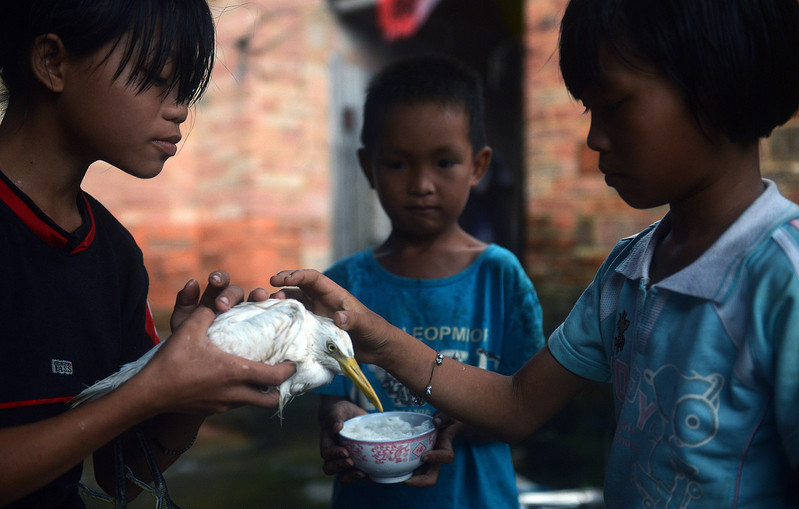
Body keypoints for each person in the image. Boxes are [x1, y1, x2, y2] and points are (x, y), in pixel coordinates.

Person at [271, 0, 799, 506]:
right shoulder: (626, 272)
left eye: (613, 106)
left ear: (714, 85)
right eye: (591, 109)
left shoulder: (783, 278)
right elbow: (517, 403)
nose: (593, 137)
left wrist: (382, 340)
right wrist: (378, 342)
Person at [0, 2, 295, 507]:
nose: (179, 108)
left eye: (186, 89)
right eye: (155, 78)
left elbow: (122, 476)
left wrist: (191, 387)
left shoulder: (112, 254)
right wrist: (150, 391)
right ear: (52, 62)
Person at [314, 54, 546, 508]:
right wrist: (336, 419)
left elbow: (527, 405)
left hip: (476, 496)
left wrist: (462, 423)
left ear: (478, 166)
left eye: (444, 162)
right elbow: (332, 395)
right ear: (369, 168)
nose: (422, 184)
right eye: (398, 164)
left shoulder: (501, 278)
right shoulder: (343, 285)